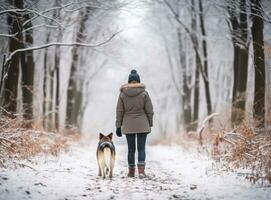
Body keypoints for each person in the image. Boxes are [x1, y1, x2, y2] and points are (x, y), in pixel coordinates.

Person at [115, 69, 154, 178]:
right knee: (141, 148)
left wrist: (118, 126)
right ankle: (141, 172)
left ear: (129, 81)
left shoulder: (122, 94)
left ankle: (131, 172)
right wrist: (150, 123)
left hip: (128, 124)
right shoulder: (144, 93)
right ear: (138, 81)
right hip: (142, 123)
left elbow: (119, 111)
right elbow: (149, 110)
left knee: (131, 149)